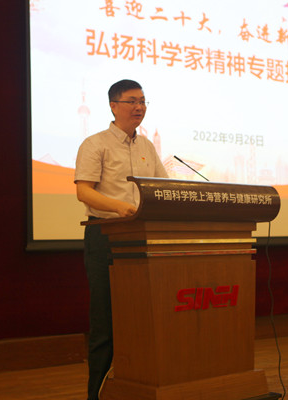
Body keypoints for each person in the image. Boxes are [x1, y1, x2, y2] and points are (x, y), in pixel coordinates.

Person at [74, 79, 169, 400]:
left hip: (143, 237)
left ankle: (138, 386)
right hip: (106, 236)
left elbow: (161, 187)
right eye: (131, 101)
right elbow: (84, 191)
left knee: (143, 316)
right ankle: (97, 393)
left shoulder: (147, 147)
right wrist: (119, 207)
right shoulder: (95, 144)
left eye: (142, 101)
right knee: (106, 318)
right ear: (113, 106)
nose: (139, 107)